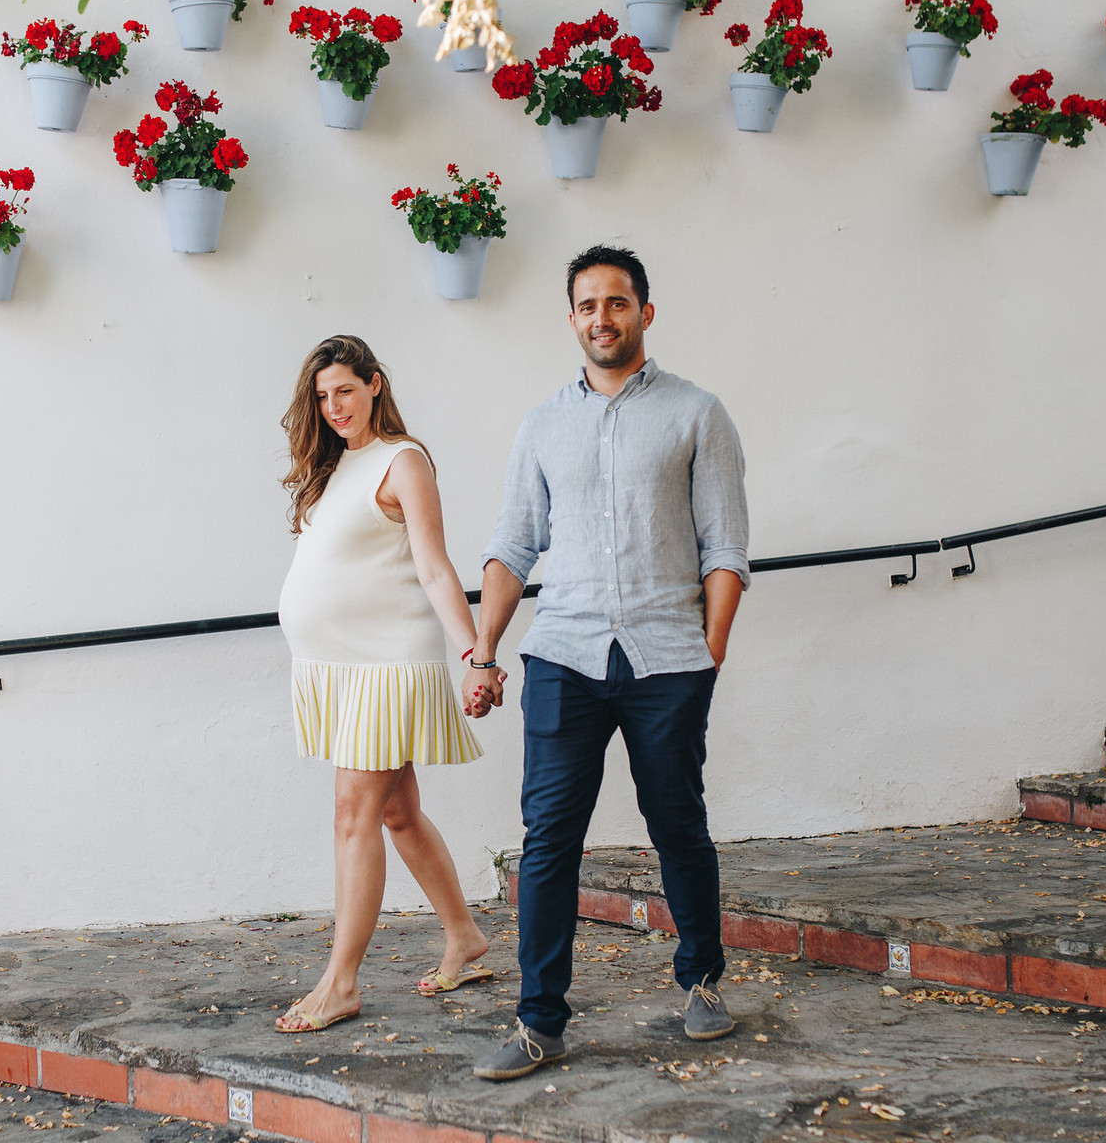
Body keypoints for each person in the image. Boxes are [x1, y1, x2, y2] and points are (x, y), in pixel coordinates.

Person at [467, 246, 749, 1080]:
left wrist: (710, 653)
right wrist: (484, 650)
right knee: (549, 837)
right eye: (587, 305)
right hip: (563, 654)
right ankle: (538, 1022)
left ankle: (700, 980)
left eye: (617, 303)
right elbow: (513, 546)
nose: (602, 318)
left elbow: (726, 545)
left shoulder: (699, 414)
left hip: (668, 656)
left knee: (678, 826)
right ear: (572, 319)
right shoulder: (542, 423)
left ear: (645, 313)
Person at [273, 335, 508, 1033]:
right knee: (396, 812)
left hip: (384, 667)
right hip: (340, 668)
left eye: (345, 389)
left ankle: (340, 983)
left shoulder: (403, 460)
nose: (334, 405)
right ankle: (464, 937)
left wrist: (476, 655)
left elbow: (435, 568)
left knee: (353, 813)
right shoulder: (335, 467)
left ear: (375, 384)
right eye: (322, 396)